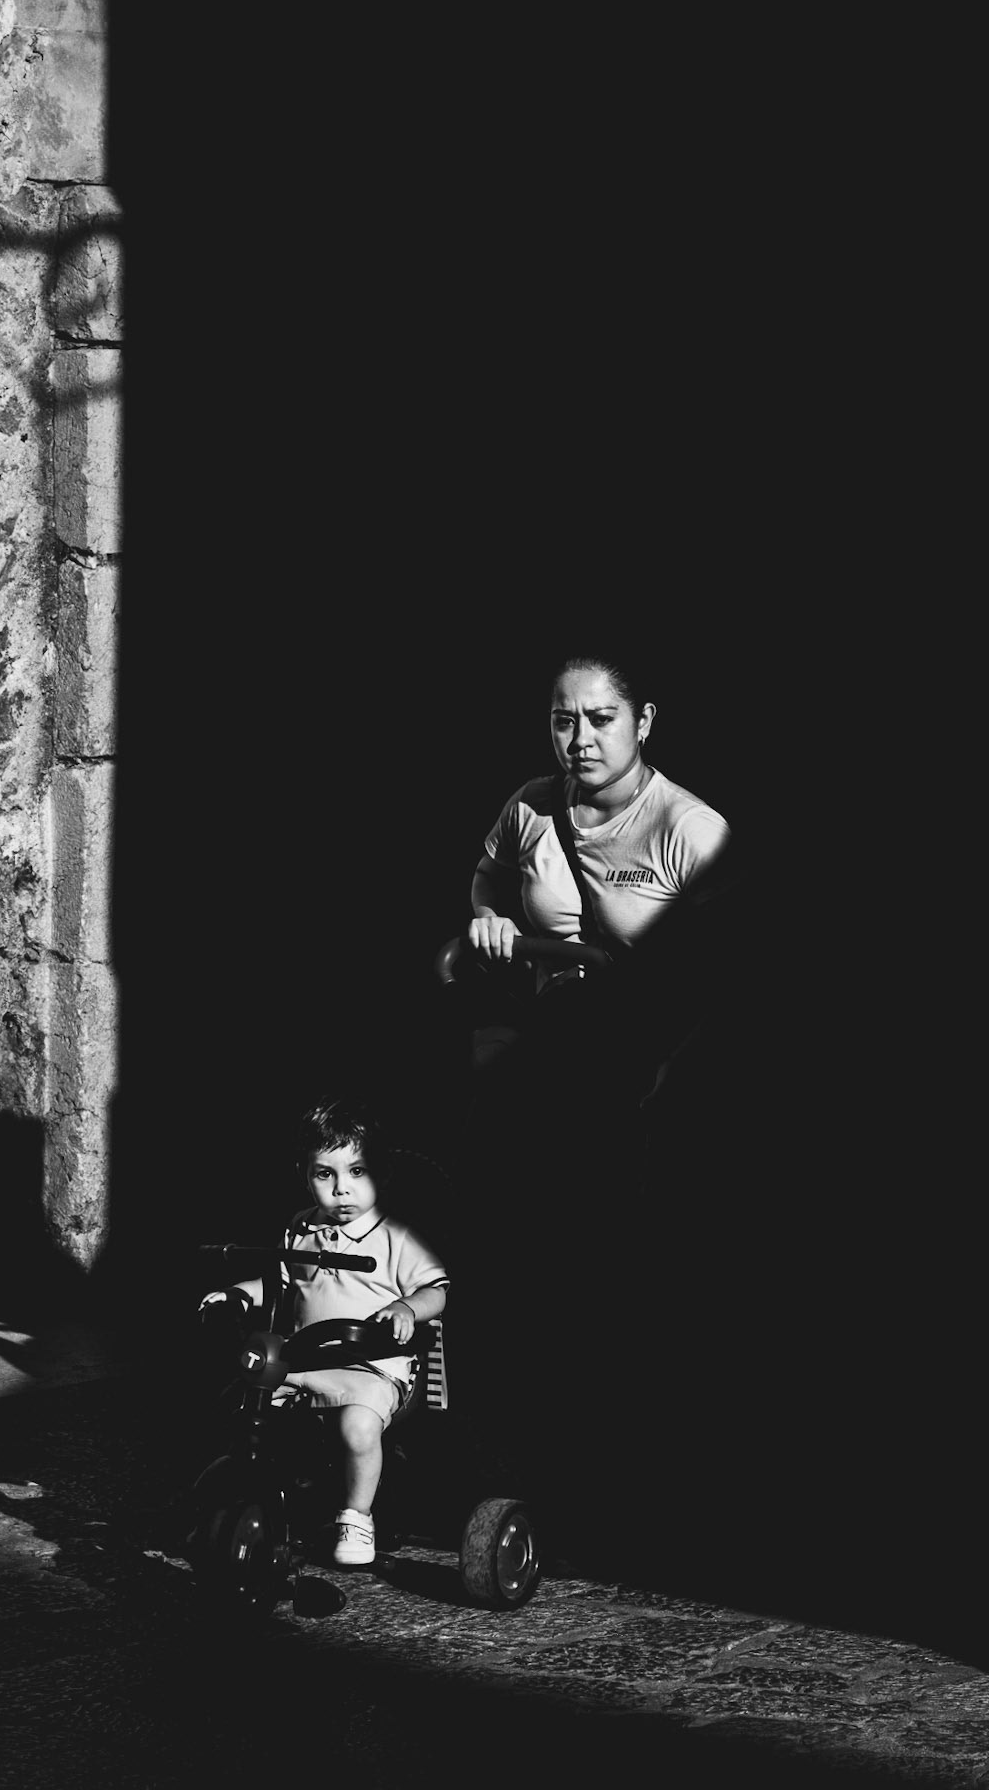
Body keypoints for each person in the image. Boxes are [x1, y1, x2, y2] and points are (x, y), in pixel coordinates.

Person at [462, 652, 732, 1123]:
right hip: (552, 1040)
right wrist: (488, 916)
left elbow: (736, 971)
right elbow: (488, 874)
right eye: (564, 721)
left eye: (601, 719)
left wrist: (679, 1069)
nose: (580, 741)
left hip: (646, 1064)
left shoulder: (689, 829)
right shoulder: (532, 805)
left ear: (643, 722)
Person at [203, 1098, 448, 1569]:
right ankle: (241, 1501)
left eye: (357, 1172)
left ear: (382, 1173)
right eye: (324, 1174)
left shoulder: (396, 1236)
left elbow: (436, 1291)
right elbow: (280, 1283)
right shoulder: (301, 1228)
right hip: (304, 1361)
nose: (341, 1189)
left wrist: (406, 1307)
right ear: (305, 1175)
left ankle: (356, 1516)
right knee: (245, 1409)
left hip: (372, 1367)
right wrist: (238, 1293)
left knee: (357, 1426)